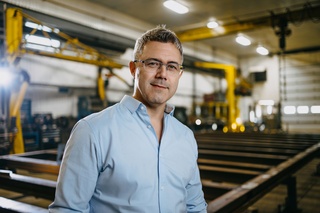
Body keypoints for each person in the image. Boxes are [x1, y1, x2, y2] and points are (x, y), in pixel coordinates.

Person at [49, 25, 207, 213]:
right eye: (153, 63)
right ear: (133, 69)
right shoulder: (93, 131)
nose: (162, 74)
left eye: (171, 66)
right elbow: (68, 210)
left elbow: (195, 206)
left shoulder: (186, 137)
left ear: (179, 74)